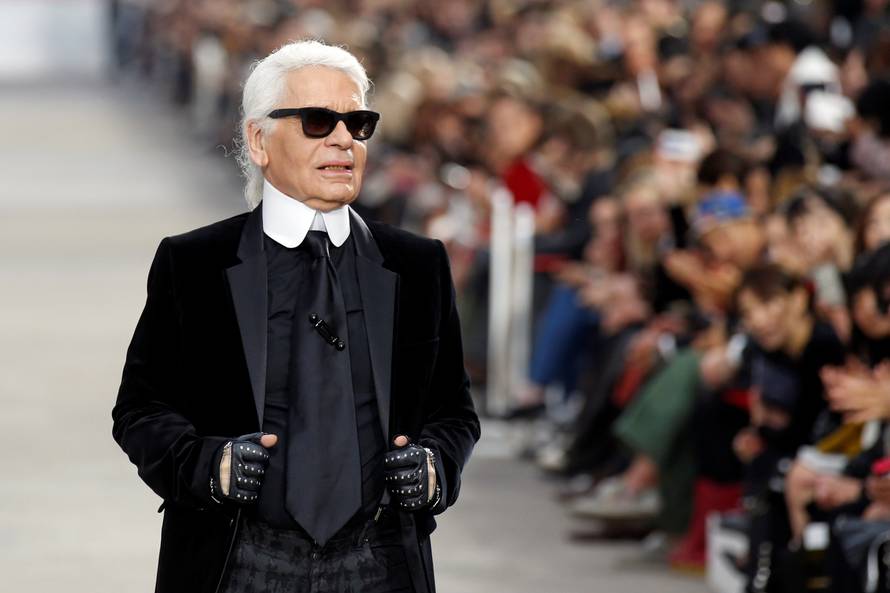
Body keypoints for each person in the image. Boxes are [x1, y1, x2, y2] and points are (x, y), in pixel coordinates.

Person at [112, 39, 480, 593]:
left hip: (381, 560)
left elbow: (454, 412)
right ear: (259, 140)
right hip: (236, 559)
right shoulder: (194, 264)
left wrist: (434, 468)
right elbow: (140, 409)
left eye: (357, 123)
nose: (342, 139)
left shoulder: (417, 265)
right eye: (316, 121)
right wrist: (210, 466)